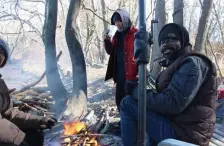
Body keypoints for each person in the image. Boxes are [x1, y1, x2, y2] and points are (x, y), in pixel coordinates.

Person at [120, 23, 217, 146]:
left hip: (187, 133)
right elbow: (166, 96)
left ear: (183, 41)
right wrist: (140, 87)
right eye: (162, 42)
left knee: (127, 103)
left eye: (171, 39)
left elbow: (172, 104)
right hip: (179, 124)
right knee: (141, 107)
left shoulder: (193, 64)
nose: (165, 44)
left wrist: (137, 92)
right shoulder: (178, 64)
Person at [0, 38, 57, 146]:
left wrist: (39, 121)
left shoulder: (0, 84)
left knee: (35, 136)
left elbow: (10, 113)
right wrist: (16, 137)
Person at [104, 8, 138, 111]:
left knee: (131, 101)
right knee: (119, 99)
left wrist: (139, 74)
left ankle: (132, 124)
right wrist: (107, 40)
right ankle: (122, 122)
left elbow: (142, 55)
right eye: (115, 22)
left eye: (119, 21)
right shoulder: (117, 35)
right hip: (119, 74)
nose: (117, 24)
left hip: (132, 75)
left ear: (125, 19)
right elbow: (111, 51)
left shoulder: (136, 34)